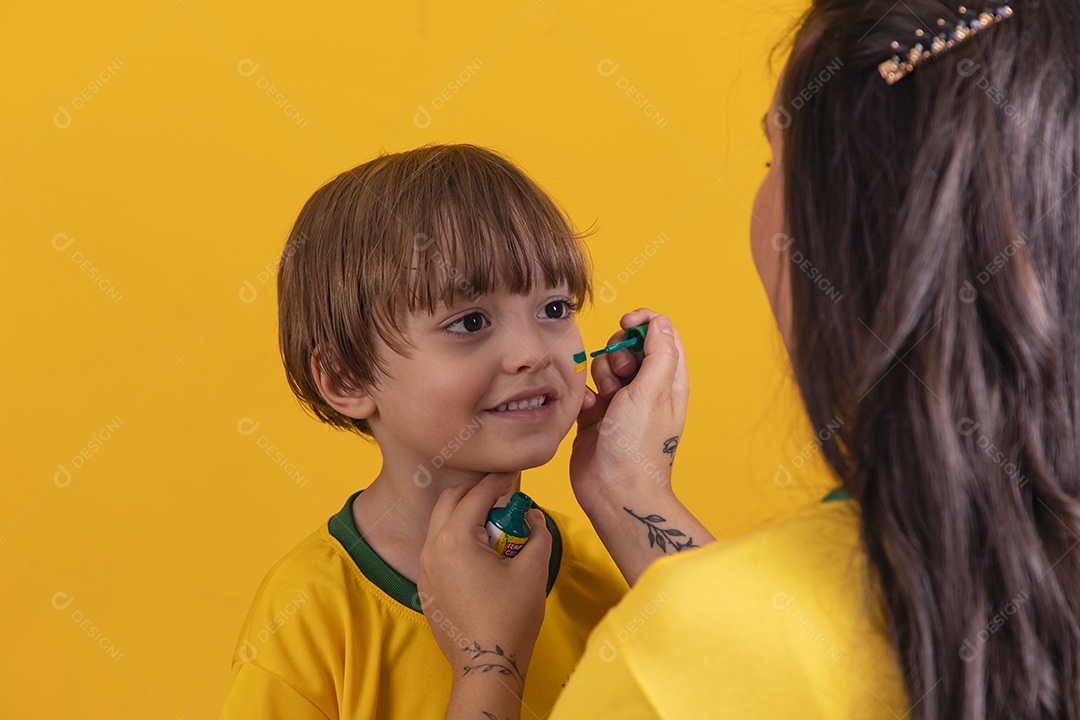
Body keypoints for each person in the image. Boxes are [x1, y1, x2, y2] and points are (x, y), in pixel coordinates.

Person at [417, 1, 1080, 718]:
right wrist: (629, 495)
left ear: (846, 225)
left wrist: (488, 660)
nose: (529, 353)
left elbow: (744, 659)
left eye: (776, 160)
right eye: (472, 320)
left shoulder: (675, 656)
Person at [218, 144, 631, 719]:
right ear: (345, 376)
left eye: (555, 309)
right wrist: (491, 666)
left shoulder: (607, 568)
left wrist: (632, 495)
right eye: (469, 322)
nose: (533, 353)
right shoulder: (306, 619)